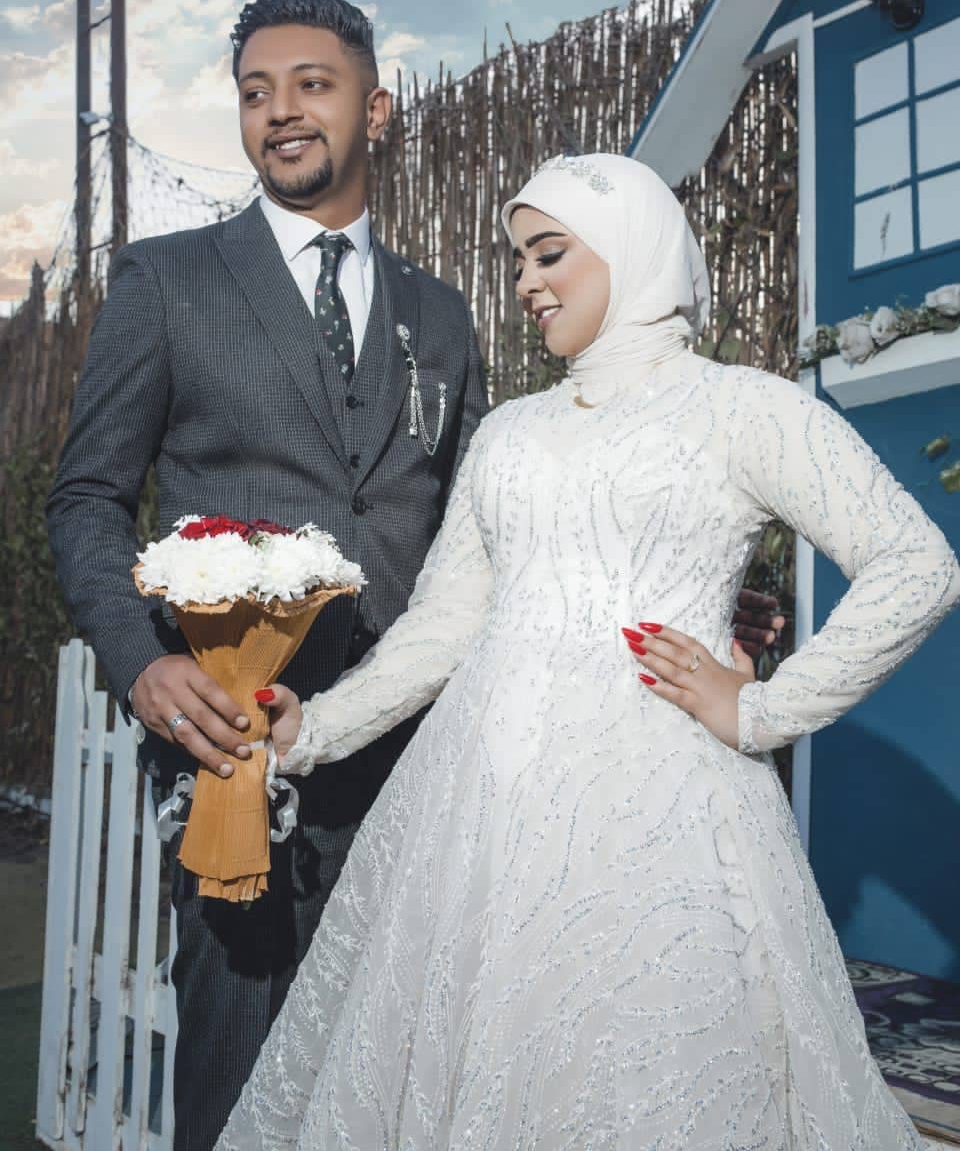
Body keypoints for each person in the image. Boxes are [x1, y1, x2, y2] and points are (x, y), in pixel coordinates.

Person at [46, 0, 780, 1151]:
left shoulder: (441, 315)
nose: (282, 112)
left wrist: (681, 592)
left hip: (419, 753)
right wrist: (140, 663)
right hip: (237, 746)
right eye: (256, 92)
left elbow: (494, 528)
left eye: (313, 84)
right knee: (241, 1064)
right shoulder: (167, 281)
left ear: (376, 108)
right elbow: (86, 499)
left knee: (397, 1073)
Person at [217, 153, 958, 1150]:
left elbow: (917, 564)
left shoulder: (747, 408)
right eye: (518, 260)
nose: (526, 282)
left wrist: (763, 711)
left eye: (550, 253)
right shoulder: (507, 435)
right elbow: (442, 626)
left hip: (661, 816)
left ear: (629, 247)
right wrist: (311, 729)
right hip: (476, 808)